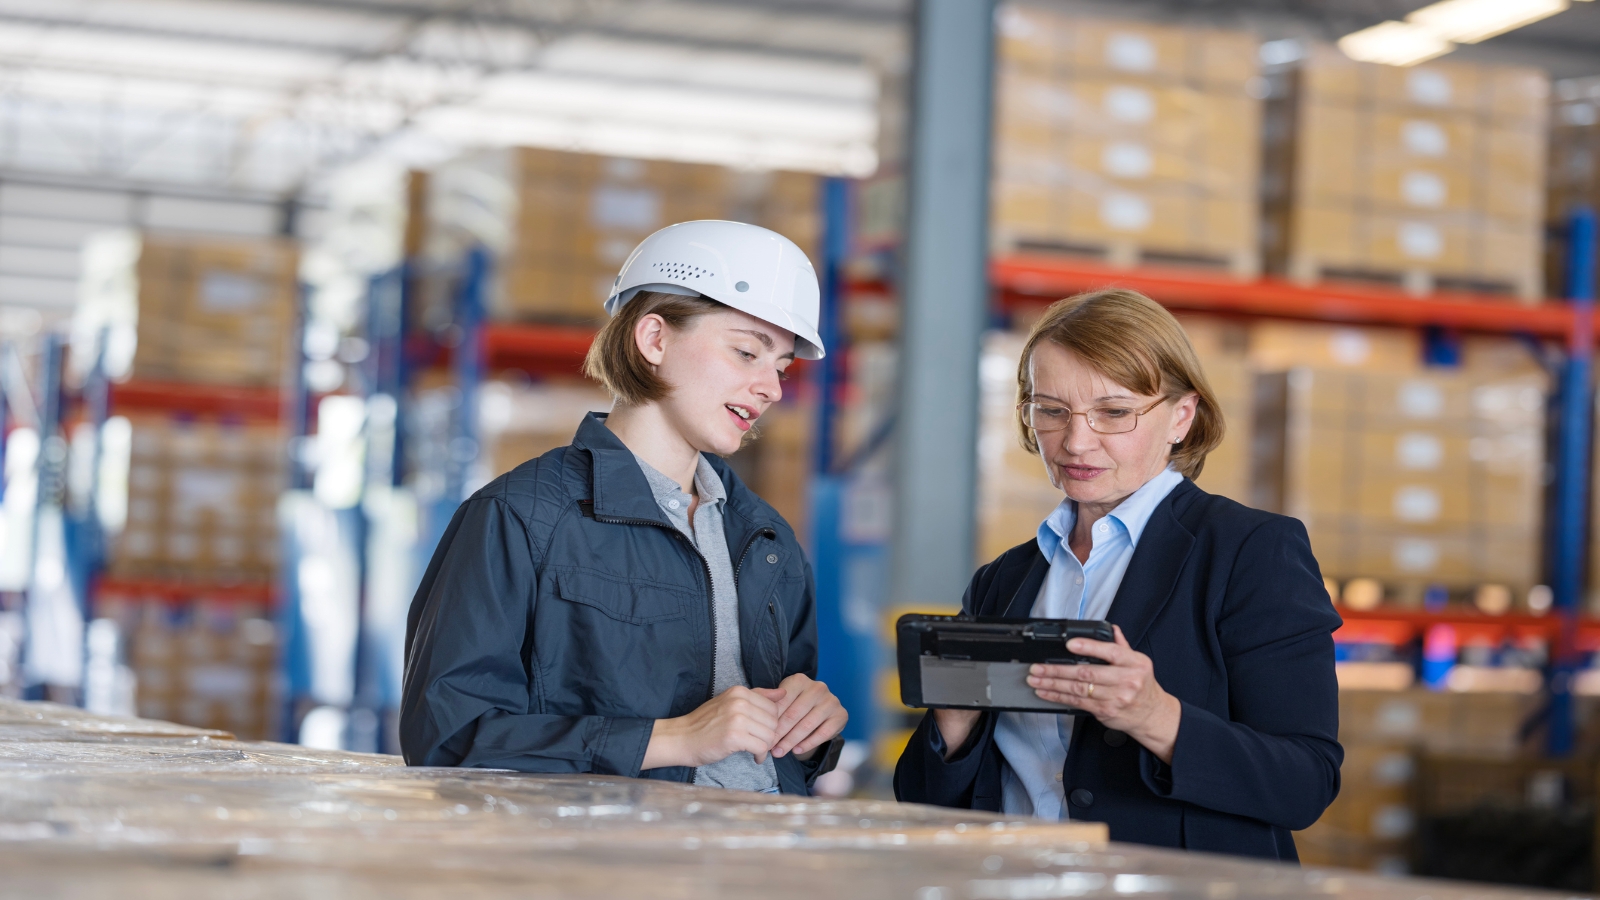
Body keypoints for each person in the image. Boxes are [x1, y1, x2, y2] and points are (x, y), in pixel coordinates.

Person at [401, 220, 846, 794]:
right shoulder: (519, 518)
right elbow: (447, 741)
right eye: (746, 353)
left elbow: (768, 744)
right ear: (654, 339)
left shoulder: (765, 539)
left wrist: (810, 730)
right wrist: (672, 739)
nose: (772, 389)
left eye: (781, 367)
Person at [895, 289, 1342, 860]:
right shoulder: (1003, 581)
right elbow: (922, 797)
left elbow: (1305, 782)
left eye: (1114, 412)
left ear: (1182, 416)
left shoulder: (1250, 552)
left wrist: (1157, 718)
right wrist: (953, 724)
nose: (1076, 441)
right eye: (1052, 410)